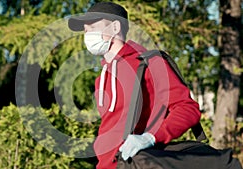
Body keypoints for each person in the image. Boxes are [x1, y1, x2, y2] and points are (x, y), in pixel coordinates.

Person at [68, 2, 201, 169]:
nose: (87, 34)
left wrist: (151, 137)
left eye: (93, 26)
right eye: (85, 30)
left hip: (136, 164)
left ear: (115, 27)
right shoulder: (102, 77)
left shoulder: (150, 63)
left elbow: (188, 108)